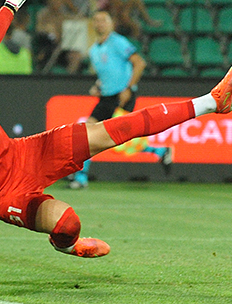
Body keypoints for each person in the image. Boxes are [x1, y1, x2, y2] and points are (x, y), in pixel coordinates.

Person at [0, 0, 232, 283]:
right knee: (68, 224)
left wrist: (14, 0)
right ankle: (68, 246)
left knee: (114, 130)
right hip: (2, 195)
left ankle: (211, 101)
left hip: (26, 154)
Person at [71, 10, 171, 190]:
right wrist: (98, 86)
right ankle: (81, 177)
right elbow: (108, 74)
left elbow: (139, 63)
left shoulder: (118, 42)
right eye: (96, 20)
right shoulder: (93, 50)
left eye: (103, 20)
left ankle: (159, 151)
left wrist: (129, 88)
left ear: (111, 23)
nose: (100, 23)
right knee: (87, 134)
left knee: (116, 139)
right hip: (106, 97)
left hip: (122, 97)